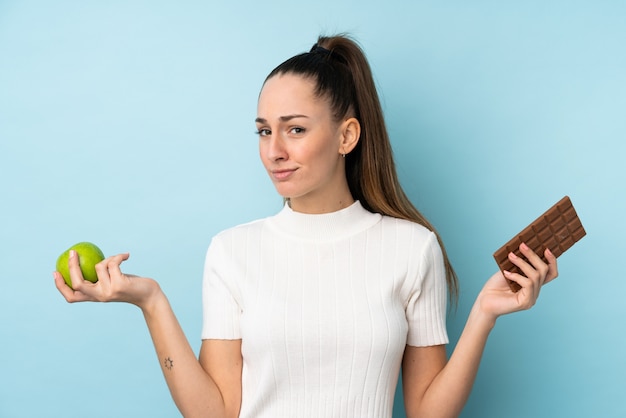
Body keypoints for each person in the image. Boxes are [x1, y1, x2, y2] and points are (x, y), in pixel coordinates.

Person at [54, 34, 558, 418]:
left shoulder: (411, 248)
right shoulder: (232, 251)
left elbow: (427, 411)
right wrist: (151, 301)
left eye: (295, 129)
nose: (275, 150)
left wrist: (484, 316)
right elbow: (216, 412)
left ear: (346, 136)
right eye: (263, 131)